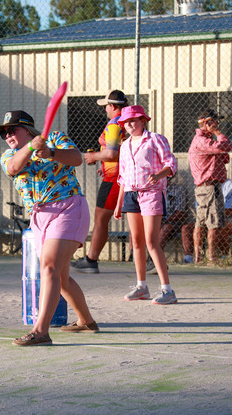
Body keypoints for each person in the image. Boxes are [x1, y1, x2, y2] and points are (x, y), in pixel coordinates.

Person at [0, 110, 98, 346]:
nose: (8, 136)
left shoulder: (55, 138)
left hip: (68, 207)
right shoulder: (8, 155)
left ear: (27, 129)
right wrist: (31, 148)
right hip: (39, 217)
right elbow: (13, 168)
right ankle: (86, 321)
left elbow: (77, 158)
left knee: (49, 266)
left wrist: (51, 152)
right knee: (60, 278)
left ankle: (40, 331)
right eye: (4, 133)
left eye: (12, 130)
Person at [113, 105, 178, 305]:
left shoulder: (156, 139)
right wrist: (118, 204)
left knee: (151, 241)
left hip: (152, 193)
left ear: (143, 121)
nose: (129, 124)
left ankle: (167, 290)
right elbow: (123, 176)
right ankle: (141, 286)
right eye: (126, 122)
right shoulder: (124, 145)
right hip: (131, 194)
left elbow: (171, 164)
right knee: (136, 242)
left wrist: (158, 175)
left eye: (133, 120)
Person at [70, 89, 128, 274]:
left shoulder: (114, 124)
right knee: (139, 219)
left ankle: (91, 260)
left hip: (114, 179)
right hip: (123, 175)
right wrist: (104, 164)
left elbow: (111, 153)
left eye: (106, 106)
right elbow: (120, 152)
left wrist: (94, 156)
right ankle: (152, 259)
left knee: (101, 219)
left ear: (113, 106)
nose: (105, 110)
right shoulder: (129, 122)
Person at [188, 109, 232, 264]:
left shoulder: (208, 141)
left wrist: (217, 142)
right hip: (209, 187)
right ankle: (212, 257)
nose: (218, 124)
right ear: (207, 123)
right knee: (213, 222)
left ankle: (198, 258)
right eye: (215, 121)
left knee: (201, 222)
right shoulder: (202, 141)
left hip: (206, 187)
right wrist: (218, 133)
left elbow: (224, 157)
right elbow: (226, 147)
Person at [145, 174, 189, 273]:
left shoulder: (178, 190)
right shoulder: (153, 189)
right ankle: (133, 256)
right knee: (137, 228)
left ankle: (152, 260)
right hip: (155, 219)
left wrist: (164, 220)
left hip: (172, 221)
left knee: (166, 227)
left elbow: (180, 213)